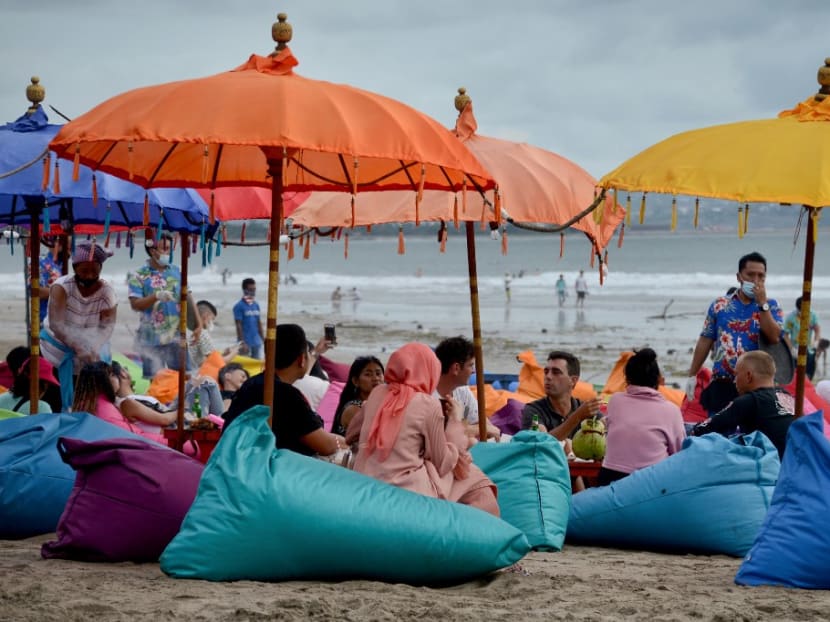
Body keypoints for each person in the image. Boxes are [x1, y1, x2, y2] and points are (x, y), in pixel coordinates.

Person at [353, 342, 499, 516]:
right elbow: (444, 463)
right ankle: (474, 527)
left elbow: (351, 434)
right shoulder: (427, 403)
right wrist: (455, 420)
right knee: (477, 482)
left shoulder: (377, 393)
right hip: (408, 490)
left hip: (363, 481)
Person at [223, 323, 345, 457]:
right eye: (307, 353)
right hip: (268, 466)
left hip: (235, 459)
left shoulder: (253, 384)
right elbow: (326, 446)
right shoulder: (286, 396)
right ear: (301, 359)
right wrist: (350, 442)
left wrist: (316, 352)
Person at [686, 252, 784, 415]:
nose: (756, 280)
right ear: (739, 277)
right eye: (750, 275)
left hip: (756, 387)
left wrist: (762, 304)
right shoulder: (720, 305)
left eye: (761, 276)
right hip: (722, 383)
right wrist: (692, 374)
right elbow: (705, 339)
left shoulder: (771, 306)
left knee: (752, 430)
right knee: (720, 428)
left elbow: (774, 337)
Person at [41, 241, 118, 411]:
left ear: (100, 268)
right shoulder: (61, 287)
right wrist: (78, 346)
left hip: (88, 355)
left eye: (94, 271)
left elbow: (107, 326)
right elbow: (56, 324)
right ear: (75, 268)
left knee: (85, 403)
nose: (89, 276)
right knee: (53, 402)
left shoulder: (107, 292)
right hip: (55, 353)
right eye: (84, 271)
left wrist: (95, 345)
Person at [599, 349, 686, 486]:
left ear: (626, 378)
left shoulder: (615, 401)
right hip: (650, 482)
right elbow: (679, 453)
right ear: (659, 380)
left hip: (610, 478)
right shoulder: (671, 410)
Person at [691, 351, 794, 460]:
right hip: (794, 459)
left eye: (736, 375)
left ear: (748, 376)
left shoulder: (749, 400)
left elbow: (703, 429)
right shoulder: (786, 395)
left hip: (771, 463)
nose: (734, 381)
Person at [128, 233, 200, 378]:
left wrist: (198, 324)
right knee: (156, 380)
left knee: (184, 377)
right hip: (150, 337)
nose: (168, 253)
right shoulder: (138, 275)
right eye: (164, 249)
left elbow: (188, 297)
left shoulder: (178, 271)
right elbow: (135, 305)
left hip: (176, 335)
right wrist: (156, 296)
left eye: (169, 249)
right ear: (152, 250)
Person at [72, 361, 165, 443]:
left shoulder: (88, 403)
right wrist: (166, 441)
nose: (117, 378)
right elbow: (132, 438)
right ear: (103, 381)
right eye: (112, 375)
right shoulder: (104, 409)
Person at [521, 350, 602, 439]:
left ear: (573, 381)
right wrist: (577, 416)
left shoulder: (585, 409)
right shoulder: (534, 410)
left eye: (556, 372)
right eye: (546, 372)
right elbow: (541, 442)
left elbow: (605, 426)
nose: (548, 377)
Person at [434, 336, 500, 441]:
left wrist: (483, 428)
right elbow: (442, 434)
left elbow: (484, 424)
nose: (473, 371)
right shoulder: (428, 396)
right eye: (470, 365)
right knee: (472, 441)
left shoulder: (462, 390)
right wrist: (478, 429)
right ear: (456, 368)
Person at [110, 360, 177, 437]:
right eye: (125, 368)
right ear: (123, 374)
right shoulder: (127, 403)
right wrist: (182, 410)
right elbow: (165, 420)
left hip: (173, 427)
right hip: (172, 436)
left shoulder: (128, 400)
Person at [331, 355, 385, 436]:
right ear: (356, 381)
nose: (376, 378)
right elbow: (370, 438)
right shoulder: (354, 409)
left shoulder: (380, 403)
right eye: (368, 374)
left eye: (378, 373)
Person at [784, 296, 821, 380]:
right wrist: (791, 348)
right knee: (795, 373)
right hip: (796, 348)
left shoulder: (812, 315)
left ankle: (808, 383)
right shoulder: (791, 317)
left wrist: (816, 342)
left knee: (809, 371)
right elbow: (785, 334)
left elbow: (817, 329)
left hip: (809, 348)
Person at [37, 235, 66, 324]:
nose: (70, 252)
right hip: (46, 319)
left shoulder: (64, 264)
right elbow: (36, 291)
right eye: (68, 247)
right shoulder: (41, 263)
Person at [232, 278, 264, 360]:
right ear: (244, 290)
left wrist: (263, 339)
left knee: (256, 365)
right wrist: (242, 342)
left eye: (254, 289)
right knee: (244, 365)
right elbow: (238, 325)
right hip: (245, 343)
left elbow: (259, 323)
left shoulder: (256, 305)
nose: (253, 292)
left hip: (257, 342)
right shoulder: (239, 306)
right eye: (250, 289)